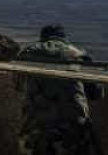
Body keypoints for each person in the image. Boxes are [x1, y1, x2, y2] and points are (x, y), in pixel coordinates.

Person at [17, 24, 100, 155]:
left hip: (36, 125)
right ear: (63, 38)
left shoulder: (27, 52)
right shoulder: (77, 54)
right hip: (71, 125)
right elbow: (95, 92)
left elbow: (18, 85)